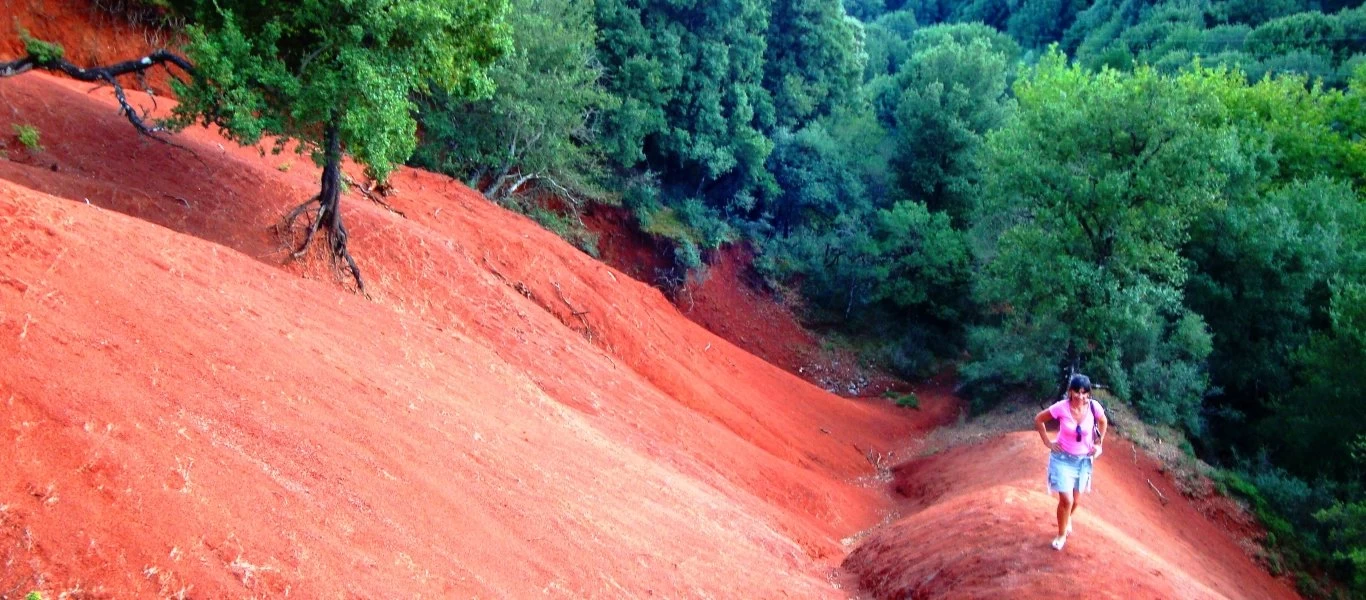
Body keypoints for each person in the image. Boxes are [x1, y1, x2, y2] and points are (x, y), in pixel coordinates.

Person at [1033, 373, 1108, 551]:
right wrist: (1047, 442)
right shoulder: (1061, 407)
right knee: (1065, 500)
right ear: (1070, 391)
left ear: (1089, 393)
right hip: (1062, 459)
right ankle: (1061, 534)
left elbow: (1103, 422)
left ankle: (1068, 519)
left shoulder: (1093, 407)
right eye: (1077, 392)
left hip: (1083, 461)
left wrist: (1099, 442)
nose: (1080, 396)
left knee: (1076, 501)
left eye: (1084, 392)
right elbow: (1039, 419)